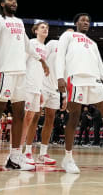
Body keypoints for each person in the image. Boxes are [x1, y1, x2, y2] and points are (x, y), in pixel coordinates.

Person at [56, 13, 103, 174]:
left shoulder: (92, 43)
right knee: (74, 117)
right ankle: (68, 158)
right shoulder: (68, 35)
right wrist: (59, 77)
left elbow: (101, 70)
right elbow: (59, 57)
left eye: (88, 21)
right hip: (75, 78)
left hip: (94, 80)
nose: (86, 22)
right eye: (82, 20)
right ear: (76, 22)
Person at [0, 0, 46, 171]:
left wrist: (42, 60)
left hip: (20, 74)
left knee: (19, 115)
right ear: (2, 4)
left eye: (16, 0)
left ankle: (15, 157)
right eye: (10, 0)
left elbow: (27, 45)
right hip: (4, 72)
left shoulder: (19, 22)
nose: (14, 3)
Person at [21, 21, 50, 165]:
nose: (45, 29)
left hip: (37, 88)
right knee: (24, 119)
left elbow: (42, 72)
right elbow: (22, 62)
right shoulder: (31, 43)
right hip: (27, 86)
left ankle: (25, 152)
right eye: (42, 27)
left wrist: (41, 90)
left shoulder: (45, 48)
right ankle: (16, 152)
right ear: (35, 30)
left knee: (30, 120)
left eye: (47, 28)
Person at [34, 28, 61, 165]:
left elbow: (66, 75)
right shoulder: (52, 44)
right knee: (34, 116)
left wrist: (66, 94)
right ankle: (25, 151)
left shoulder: (70, 53)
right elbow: (41, 61)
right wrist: (38, 85)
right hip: (43, 85)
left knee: (50, 119)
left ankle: (43, 154)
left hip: (56, 89)